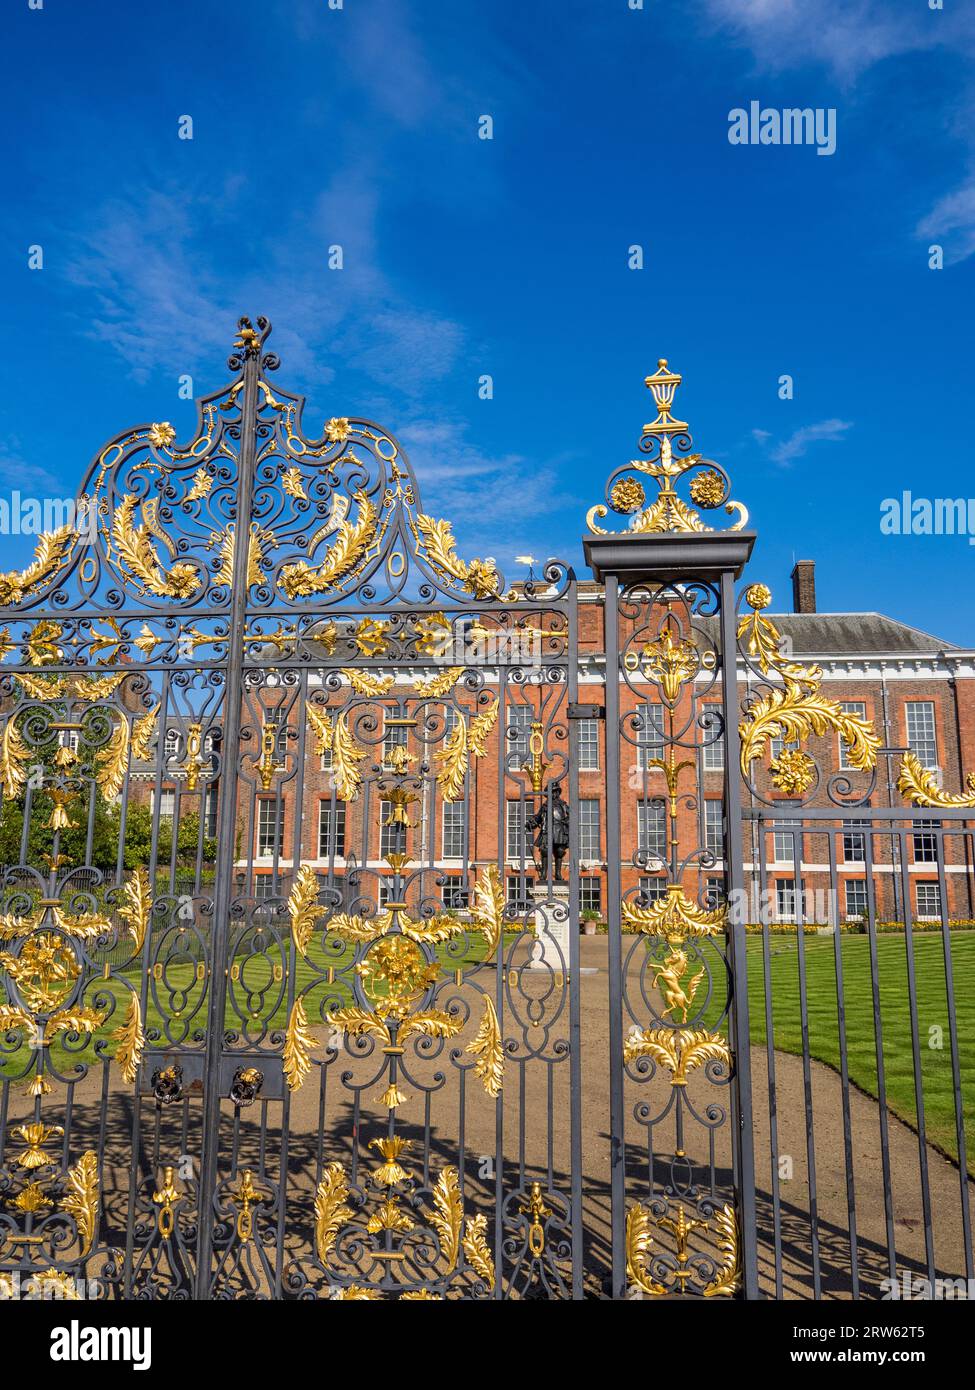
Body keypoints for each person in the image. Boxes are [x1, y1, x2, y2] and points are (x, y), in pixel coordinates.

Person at [525, 782, 570, 881]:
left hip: (559, 832)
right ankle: (544, 874)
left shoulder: (563, 805)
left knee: (559, 852)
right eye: (552, 792)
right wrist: (531, 823)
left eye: (555, 792)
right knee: (545, 852)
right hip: (547, 831)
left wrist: (566, 821)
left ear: (558, 792)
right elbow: (538, 817)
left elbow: (572, 815)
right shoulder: (545, 806)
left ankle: (558, 873)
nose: (554, 794)